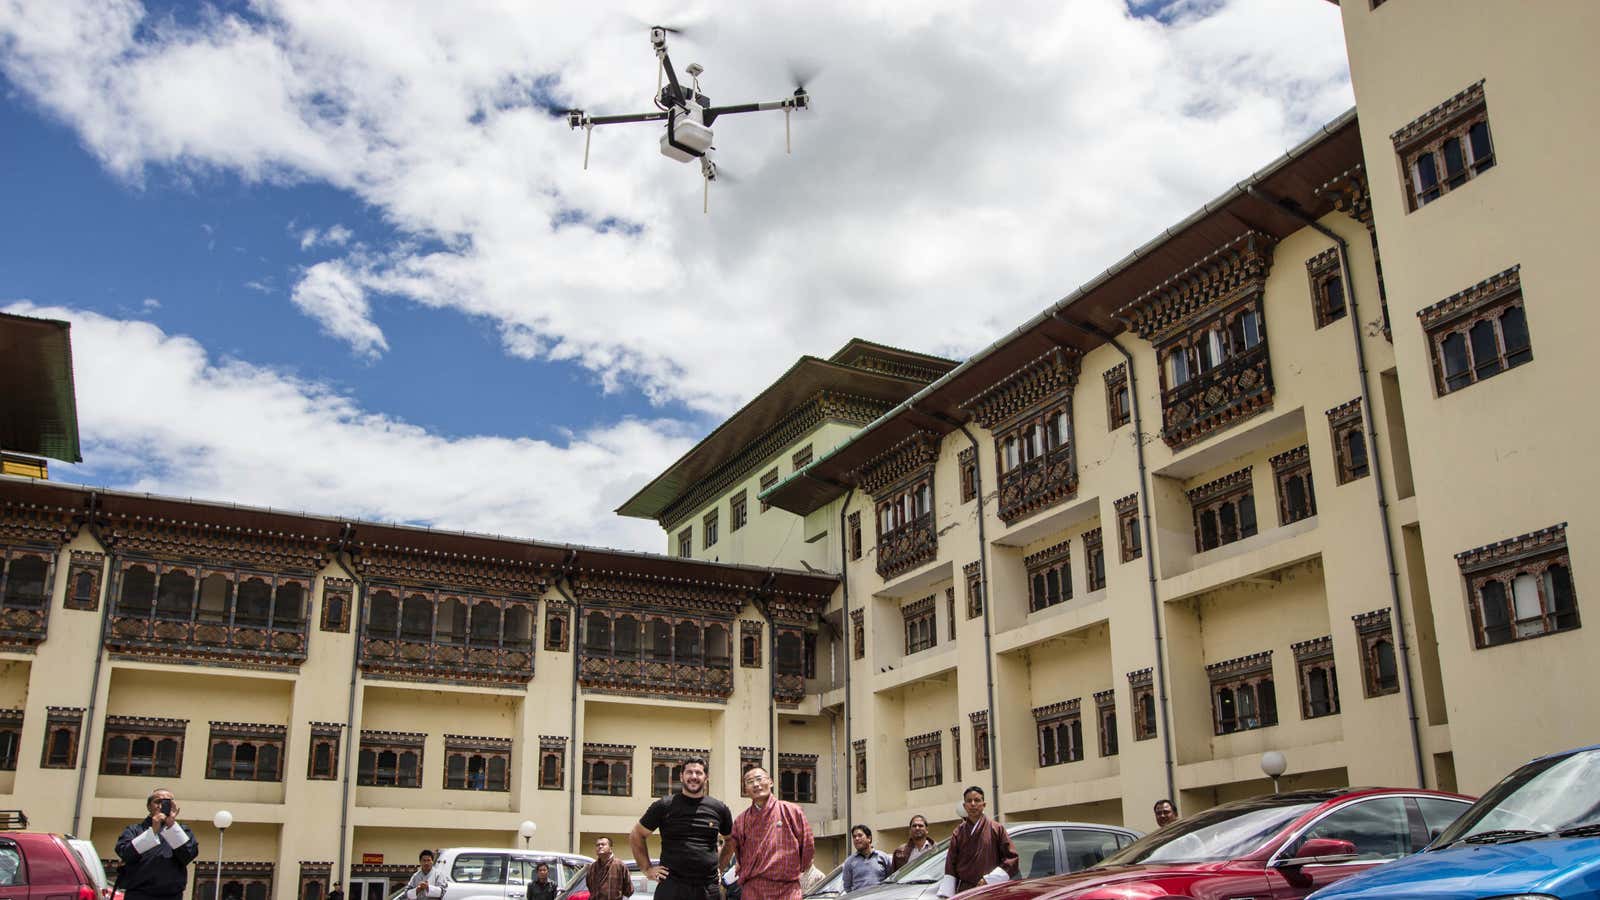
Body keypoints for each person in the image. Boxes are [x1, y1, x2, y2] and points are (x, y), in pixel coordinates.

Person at [631, 757, 733, 900]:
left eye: (698, 773)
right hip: (672, 888)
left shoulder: (719, 808)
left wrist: (720, 868)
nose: (694, 777)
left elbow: (731, 840)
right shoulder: (664, 806)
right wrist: (647, 869)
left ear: (706, 777)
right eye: (689, 772)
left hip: (708, 889)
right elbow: (637, 834)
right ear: (681, 776)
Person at [719, 767, 814, 900]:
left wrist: (794, 870)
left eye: (759, 779)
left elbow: (807, 846)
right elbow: (739, 854)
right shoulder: (741, 821)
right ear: (745, 789)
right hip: (753, 890)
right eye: (750, 781)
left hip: (787, 889)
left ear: (771, 782)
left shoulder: (791, 811)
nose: (756, 784)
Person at [114, 788, 200, 900]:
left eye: (167, 802)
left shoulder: (183, 830)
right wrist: (153, 831)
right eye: (157, 802)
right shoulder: (134, 830)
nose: (161, 806)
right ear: (149, 806)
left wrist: (171, 825)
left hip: (171, 896)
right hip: (138, 894)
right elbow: (125, 853)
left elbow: (188, 855)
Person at [938, 787, 1018, 897]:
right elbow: (951, 864)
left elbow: (1011, 858)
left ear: (984, 804)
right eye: (969, 801)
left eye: (977, 800)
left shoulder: (997, 829)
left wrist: (990, 879)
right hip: (965, 892)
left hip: (989, 889)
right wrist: (947, 894)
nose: (973, 804)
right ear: (964, 806)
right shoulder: (958, 832)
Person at [840, 826, 891, 892]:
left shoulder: (883, 857)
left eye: (860, 835)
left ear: (869, 838)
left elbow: (891, 880)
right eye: (854, 836)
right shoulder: (849, 862)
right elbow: (847, 887)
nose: (857, 838)